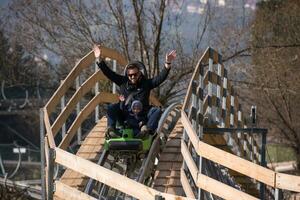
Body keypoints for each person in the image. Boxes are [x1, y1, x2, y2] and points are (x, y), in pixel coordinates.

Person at [93, 44, 176, 138]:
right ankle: (111, 130)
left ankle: (146, 131)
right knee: (112, 107)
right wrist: (99, 59)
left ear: (140, 73)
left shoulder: (146, 84)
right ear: (127, 75)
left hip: (142, 116)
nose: (132, 77)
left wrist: (167, 63)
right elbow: (109, 73)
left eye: (135, 74)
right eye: (130, 75)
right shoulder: (123, 82)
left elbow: (160, 78)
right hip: (126, 116)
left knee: (156, 110)